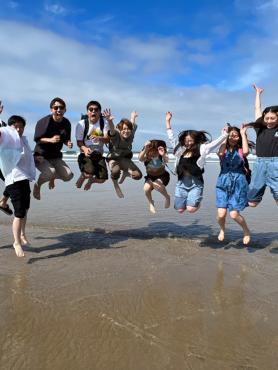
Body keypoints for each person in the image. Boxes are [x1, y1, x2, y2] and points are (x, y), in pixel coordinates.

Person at [166, 111, 228, 213]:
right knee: (179, 209)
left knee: (191, 209)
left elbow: (214, 144)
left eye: (191, 140)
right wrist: (168, 121)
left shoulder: (202, 149)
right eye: (186, 141)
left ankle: (197, 201)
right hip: (181, 183)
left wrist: (224, 135)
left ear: (195, 140)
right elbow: (171, 137)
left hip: (196, 183)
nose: (188, 143)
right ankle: (190, 201)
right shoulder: (179, 149)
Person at [0, 115, 36, 257]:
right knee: (19, 212)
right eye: (16, 126)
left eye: (21, 126)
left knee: (26, 208)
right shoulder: (6, 139)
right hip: (13, 179)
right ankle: (16, 242)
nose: (19, 129)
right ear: (10, 127)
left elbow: (27, 158)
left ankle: (22, 234)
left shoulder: (23, 140)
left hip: (24, 178)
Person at [243, 85, 278, 206]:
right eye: (266, 118)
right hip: (260, 164)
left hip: (276, 164)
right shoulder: (259, 128)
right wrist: (258, 93)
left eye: (272, 118)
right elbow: (257, 108)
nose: (269, 121)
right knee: (252, 202)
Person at [216, 125, 251, 245]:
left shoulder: (241, 149)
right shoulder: (223, 148)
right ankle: (222, 229)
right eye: (231, 134)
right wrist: (224, 136)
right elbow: (220, 153)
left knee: (234, 214)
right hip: (223, 182)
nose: (233, 137)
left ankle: (246, 231)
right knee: (221, 215)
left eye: (235, 135)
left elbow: (246, 152)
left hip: (238, 183)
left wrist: (243, 134)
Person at [33, 97, 73, 200]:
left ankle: (52, 177)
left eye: (61, 107)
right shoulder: (44, 122)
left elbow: (65, 139)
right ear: (51, 109)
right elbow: (37, 139)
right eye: (56, 108)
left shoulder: (67, 123)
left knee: (69, 176)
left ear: (65, 110)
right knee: (50, 173)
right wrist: (50, 140)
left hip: (56, 156)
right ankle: (38, 185)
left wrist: (68, 143)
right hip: (41, 155)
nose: (58, 110)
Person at [103, 109, 142, 198]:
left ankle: (126, 172)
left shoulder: (131, 133)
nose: (126, 131)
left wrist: (133, 116)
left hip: (124, 158)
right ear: (120, 129)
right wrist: (110, 121)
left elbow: (132, 124)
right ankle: (116, 185)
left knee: (138, 175)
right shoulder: (116, 134)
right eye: (124, 129)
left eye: (128, 129)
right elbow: (112, 130)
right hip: (113, 158)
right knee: (115, 171)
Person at [75, 101, 109, 191]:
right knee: (89, 173)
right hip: (86, 153)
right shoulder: (82, 124)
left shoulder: (104, 122)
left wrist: (99, 138)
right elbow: (79, 142)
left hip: (99, 154)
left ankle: (91, 181)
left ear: (99, 112)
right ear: (87, 112)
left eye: (96, 110)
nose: (93, 111)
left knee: (102, 179)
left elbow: (107, 139)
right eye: (91, 109)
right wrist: (85, 149)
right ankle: (83, 176)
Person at [138, 140, 170, 214]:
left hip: (163, 176)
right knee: (146, 189)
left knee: (156, 184)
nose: (152, 153)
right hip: (150, 177)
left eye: (154, 151)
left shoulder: (161, 156)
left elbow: (167, 160)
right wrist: (145, 149)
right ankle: (151, 202)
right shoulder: (146, 157)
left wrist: (163, 154)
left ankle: (167, 197)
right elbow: (140, 158)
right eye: (149, 150)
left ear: (157, 150)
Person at [0, 100, 13, 215]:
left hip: (3, 161)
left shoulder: (5, 126)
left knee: (13, 181)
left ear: (1, 108)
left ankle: (3, 202)